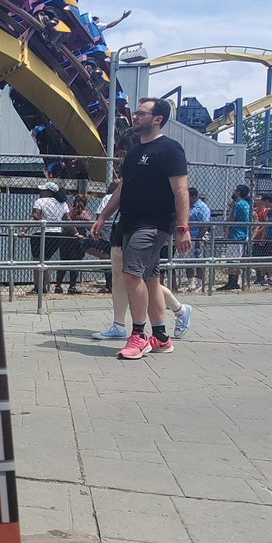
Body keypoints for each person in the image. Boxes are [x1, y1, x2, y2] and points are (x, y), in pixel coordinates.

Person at [95, 98, 191, 360]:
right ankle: (160, 337)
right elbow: (123, 188)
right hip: (130, 222)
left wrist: (183, 227)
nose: (135, 117)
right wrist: (103, 216)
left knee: (131, 274)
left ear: (157, 119)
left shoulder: (170, 149)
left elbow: (180, 189)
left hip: (154, 223)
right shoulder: (135, 152)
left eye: (141, 113)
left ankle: (138, 335)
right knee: (150, 278)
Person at [29, 181, 68, 295]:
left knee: (37, 261)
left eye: (43, 190)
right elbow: (68, 219)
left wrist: (24, 229)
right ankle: (45, 286)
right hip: (56, 234)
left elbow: (35, 216)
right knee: (46, 260)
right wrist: (76, 233)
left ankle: (38, 287)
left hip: (40, 234)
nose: (41, 192)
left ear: (49, 192)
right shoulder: (63, 203)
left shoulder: (40, 201)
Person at [217, 185, 253, 291]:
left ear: (238, 193)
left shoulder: (238, 204)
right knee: (235, 259)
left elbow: (231, 218)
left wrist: (226, 223)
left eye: (235, 191)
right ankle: (233, 282)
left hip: (236, 235)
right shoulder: (246, 204)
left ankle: (233, 282)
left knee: (232, 260)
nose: (233, 192)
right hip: (242, 234)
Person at [55, 194, 92, 294]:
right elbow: (90, 227)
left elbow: (64, 222)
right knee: (76, 262)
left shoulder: (69, 211)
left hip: (66, 238)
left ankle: (58, 285)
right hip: (78, 239)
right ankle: (72, 286)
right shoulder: (84, 214)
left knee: (64, 262)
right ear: (85, 203)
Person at [186, 187, 211, 292]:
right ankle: (190, 283)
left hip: (198, 237)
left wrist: (198, 239)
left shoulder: (202, 207)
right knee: (188, 262)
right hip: (189, 237)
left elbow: (204, 225)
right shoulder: (189, 207)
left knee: (199, 262)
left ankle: (200, 284)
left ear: (194, 196)